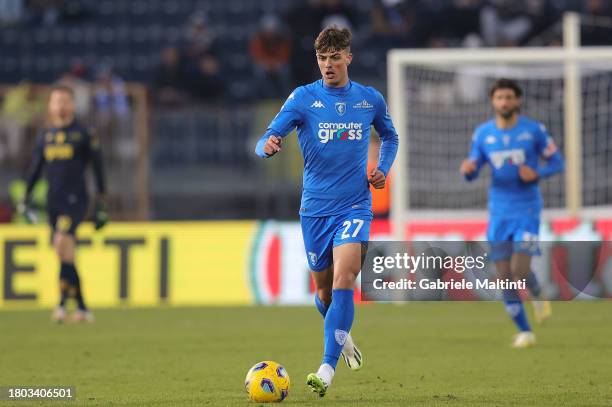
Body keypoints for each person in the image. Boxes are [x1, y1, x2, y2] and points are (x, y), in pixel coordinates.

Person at [255, 26, 398, 396]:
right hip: (315, 210)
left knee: (344, 278)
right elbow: (265, 139)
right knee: (324, 293)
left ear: (348, 57)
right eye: (322, 58)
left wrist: (382, 168)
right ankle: (343, 339)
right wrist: (269, 145)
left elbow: (390, 136)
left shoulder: (369, 100)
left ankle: (326, 368)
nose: (328, 65)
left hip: (355, 205)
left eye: (335, 57)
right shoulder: (303, 98)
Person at [460, 78, 564, 348]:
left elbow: (557, 162)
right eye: (499, 98)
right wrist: (468, 170)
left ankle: (538, 292)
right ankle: (525, 331)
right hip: (498, 211)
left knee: (520, 269)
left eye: (509, 97)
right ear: (493, 101)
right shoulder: (483, 134)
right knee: (503, 274)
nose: (504, 102)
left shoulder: (534, 131)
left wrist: (538, 173)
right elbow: (474, 167)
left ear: (517, 100)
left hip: (527, 209)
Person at [20, 85, 107, 323]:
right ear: (50, 106)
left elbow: (98, 167)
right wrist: (25, 197)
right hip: (54, 201)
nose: (61, 105)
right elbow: (36, 169)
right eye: (57, 101)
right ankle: (80, 306)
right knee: (65, 253)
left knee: (61, 241)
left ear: (73, 104)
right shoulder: (46, 136)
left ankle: (62, 303)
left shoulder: (83, 133)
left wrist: (101, 201)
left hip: (76, 199)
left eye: (65, 101)